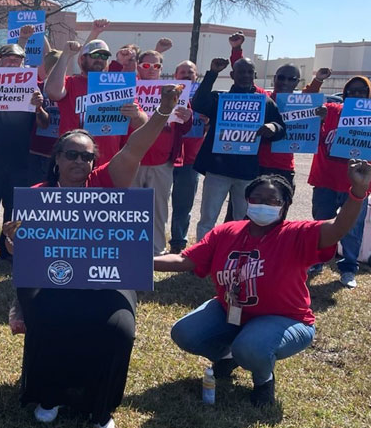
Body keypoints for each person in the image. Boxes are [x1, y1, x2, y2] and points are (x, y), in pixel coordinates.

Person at [7, 84, 186, 428]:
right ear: (56, 159)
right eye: (71, 154)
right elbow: (20, 249)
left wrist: (163, 111)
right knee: (48, 320)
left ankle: (100, 406)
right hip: (53, 281)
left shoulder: (106, 181)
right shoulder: (35, 197)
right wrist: (16, 249)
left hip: (108, 280)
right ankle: (49, 394)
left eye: (86, 156)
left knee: (120, 331)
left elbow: (136, 146)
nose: (79, 161)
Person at [155, 163, 371, 405]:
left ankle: (263, 380)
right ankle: (227, 355)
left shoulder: (297, 234)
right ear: (247, 201)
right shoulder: (227, 232)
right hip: (231, 311)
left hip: (287, 318)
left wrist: (358, 192)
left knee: (250, 347)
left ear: (285, 205)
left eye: (272, 200)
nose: (263, 204)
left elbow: (338, 227)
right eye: (256, 198)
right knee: (185, 332)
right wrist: (140, 261)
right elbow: (185, 259)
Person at [191, 57, 285, 243]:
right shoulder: (220, 98)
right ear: (233, 75)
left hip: (246, 172)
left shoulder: (264, 102)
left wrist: (272, 128)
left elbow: (281, 128)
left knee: (243, 220)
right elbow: (198, 103)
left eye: (250, 72)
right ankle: (201, 257)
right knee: (208, 218)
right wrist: (212, 74)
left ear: (255, 75)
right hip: (217, 170)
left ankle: (238, 254)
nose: (246, 75)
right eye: (241, 72)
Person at [0, 43, 49, 264]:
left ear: (23, 62)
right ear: (1, 60)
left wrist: (39, 108)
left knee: (14, 210)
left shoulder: (32, 87)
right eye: (9, 59)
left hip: (19, 161)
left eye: (18, 60)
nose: (13, 63)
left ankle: (9, 251)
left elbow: (44, 124)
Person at [307, 75, 371, 288]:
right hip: (325, 179)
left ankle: (349, 268)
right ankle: (317, 261)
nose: (356, 94)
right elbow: (306, 100)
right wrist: (317, 82)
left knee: (353, 229)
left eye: (362, 91)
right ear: (344, 94)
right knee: (320, 223)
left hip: (356, 184)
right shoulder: (332, 110)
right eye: (351, 91)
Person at [130, 50, 193, 256]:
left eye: (156, 66)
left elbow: (184, 128)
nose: (151, 70)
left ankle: (156, 249)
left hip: (161, 161)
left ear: (161, 69)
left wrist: (188, 117)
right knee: (131, 209)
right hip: (134, 159)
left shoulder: (176, 90)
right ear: (139, 66)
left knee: (158, 209)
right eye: (146, 66)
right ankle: (131, 248)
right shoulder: (129, 88)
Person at [44, 39, 147, 165]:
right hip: (74, 159)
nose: (100, 59)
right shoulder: (71, 82)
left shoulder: (118, 86)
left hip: (107, 161)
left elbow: (141, 123)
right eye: (95, 55)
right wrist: (66, 55)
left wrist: (136, 114)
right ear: (82, 59)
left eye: (104, 56)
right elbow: (52, 92)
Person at [255, 64, 327, 184]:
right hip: (258, 165)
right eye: (281, 78)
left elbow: (310, 98)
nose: (285, 82)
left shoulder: (300, 104)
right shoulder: (264, 98)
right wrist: (236, 49)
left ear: (297, 82)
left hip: (284, 168)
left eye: (291, 79)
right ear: (275, 78)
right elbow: (244, 76)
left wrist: (320, 120)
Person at [168, 60, 207, 254]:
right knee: (156, 203)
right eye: (181, 72)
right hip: (166, 157)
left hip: (191, 160)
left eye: (189, 72)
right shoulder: (164, 94)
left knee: (183, 205)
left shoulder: (204, 97)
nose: (185, 75)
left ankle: (178, 243)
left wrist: (210, 121)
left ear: (196, 76)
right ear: (175, 76)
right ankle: (152, 240)